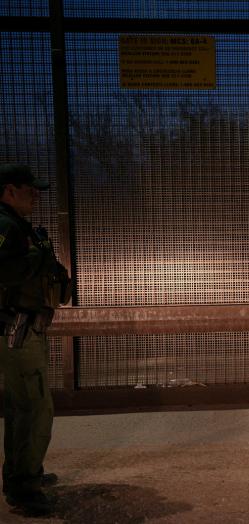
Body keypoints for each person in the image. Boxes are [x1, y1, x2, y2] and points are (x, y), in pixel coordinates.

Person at [0, 164, 70, 515]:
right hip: (17, 329)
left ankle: (23, 476)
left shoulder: (22, 227)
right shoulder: (5, 226)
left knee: (22, 408)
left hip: (28, 327)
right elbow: (5, 270)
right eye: (29, 189)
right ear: (8, 191)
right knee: (33, 409)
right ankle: (23, 488)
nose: (36, 194)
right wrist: (37, 259)